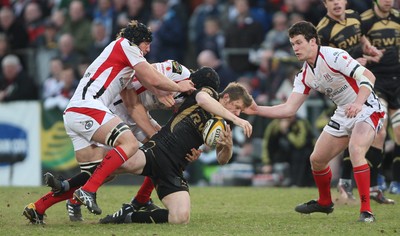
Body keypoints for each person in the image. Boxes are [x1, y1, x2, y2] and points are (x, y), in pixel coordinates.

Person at [22, 19, 195, 223]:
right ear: (137, 41)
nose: (148, 49)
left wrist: (161, 91)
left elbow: (149, 82)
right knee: (130, 144)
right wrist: (178, 87)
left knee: (99, 171)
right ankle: (92, 192)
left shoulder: (127, 60)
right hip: (89, 107)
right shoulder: (126, 46)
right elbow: (147, 85)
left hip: (76, 112)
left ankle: (40, 206)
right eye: (147, 44)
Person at [244, 21, 384, 222]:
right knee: (316, 160)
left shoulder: (334, 56)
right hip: (344, 111)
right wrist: (257, 110)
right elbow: (289, 109)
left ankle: (366, 211)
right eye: (292, 44)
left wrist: (359, 103)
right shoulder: (304, 74)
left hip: (366, 106)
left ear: (313, 42)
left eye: (299, 42)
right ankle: (325, 202)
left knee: (355, 150)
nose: (295, 48)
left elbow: (369, 77)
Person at [99, 80, 253, 224]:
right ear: (226, 97)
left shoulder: (224, 125)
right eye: (237, 107)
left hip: (174, 168)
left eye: (240, 111)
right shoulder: (209, 93)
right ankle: (78, 186)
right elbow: (202, 100)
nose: (238, 114)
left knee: (180, 217)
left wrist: (228, 146)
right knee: (109, 165)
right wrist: (238, 120)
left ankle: (129, 216)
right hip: (158, 150)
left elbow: (222, 160)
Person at [317, 0, 394, 204]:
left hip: (362, 79)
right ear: (325, 4)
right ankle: (358, 185)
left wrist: (367, 47)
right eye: (331, 0)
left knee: (377, 133)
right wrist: (353, 63)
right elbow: (325, 63)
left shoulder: (354, 16)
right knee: (368, 133)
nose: (336, 3)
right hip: (346, 87)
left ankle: (362, 185)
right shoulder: (322, 31)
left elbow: (360, 36)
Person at [361, 0, 400, 196]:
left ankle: (397, 181)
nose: (388, 1)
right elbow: (359, 45)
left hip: (397, 81)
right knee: (380, 131)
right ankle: (376, 179)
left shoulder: (398, 19)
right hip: (378, 83)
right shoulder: (365, 21)